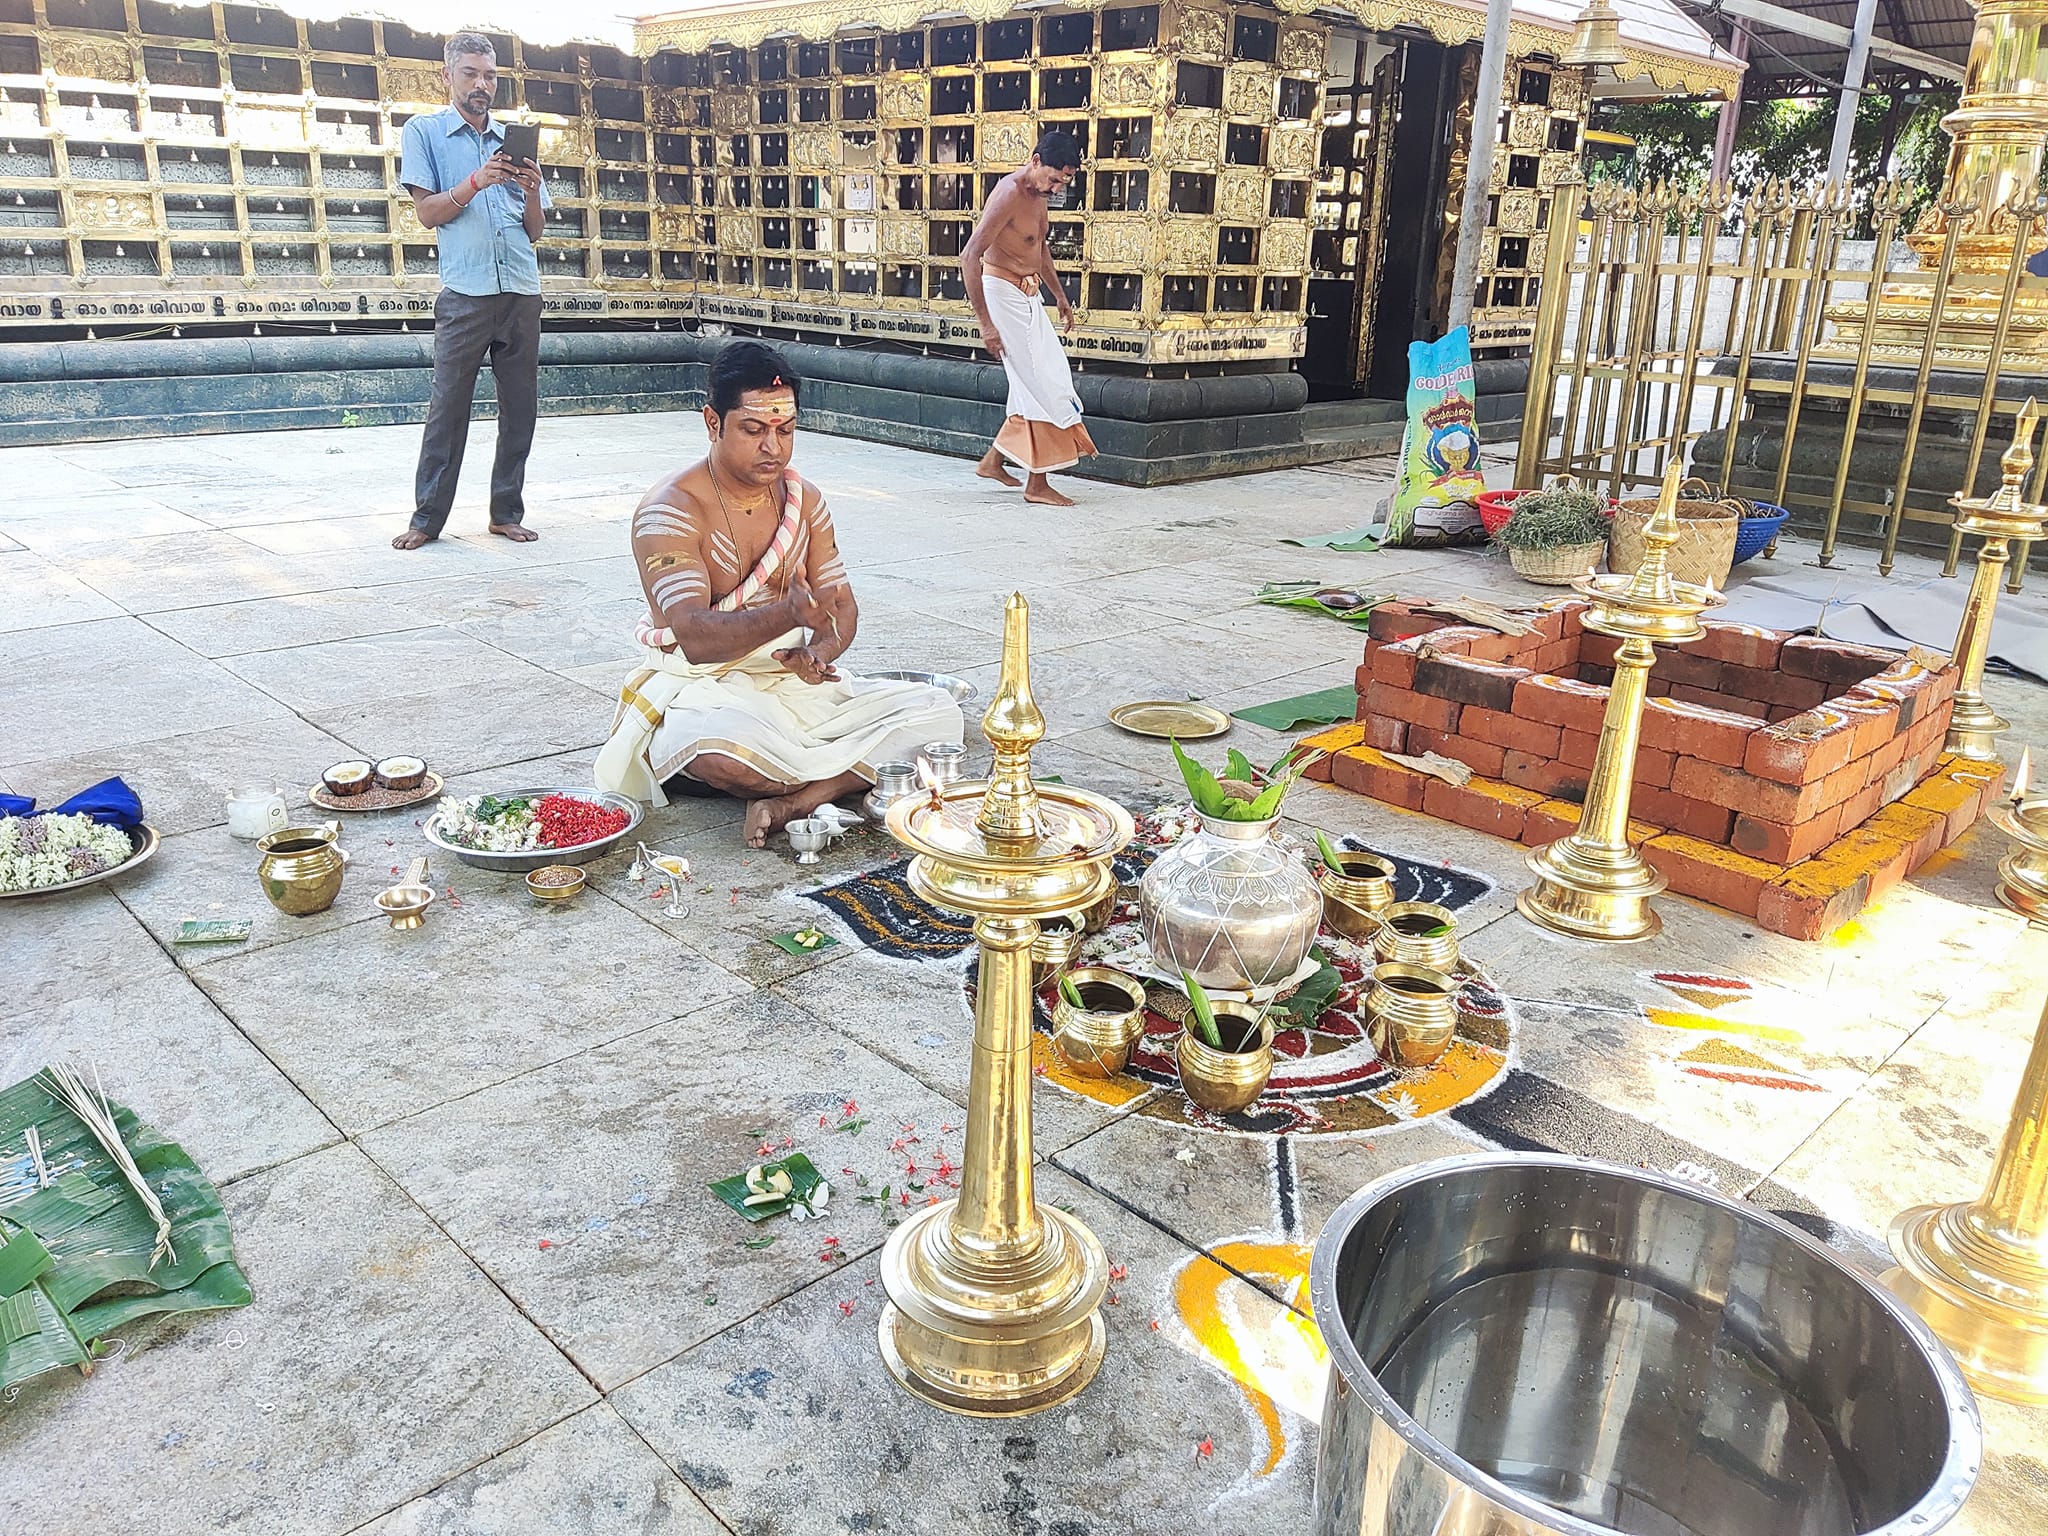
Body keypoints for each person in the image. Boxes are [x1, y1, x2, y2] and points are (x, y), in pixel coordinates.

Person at [594, 341, 964, 847]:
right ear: (712, 422)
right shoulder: (671, 509)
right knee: (720, 749)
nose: (773, 448)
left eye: (785, 431)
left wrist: (819, 652)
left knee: (938, 710)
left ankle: (798, 798)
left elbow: (840, 605)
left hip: (791, 688)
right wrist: (786, 613)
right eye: (753, 430)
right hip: (706, 688)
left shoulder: (803, 499)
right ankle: (840, 776)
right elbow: (695, 638)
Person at [391, 32, 551, 551]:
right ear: (448, 76)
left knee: (520, 407)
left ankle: (506, 512)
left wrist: (529, 190)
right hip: (466, 293)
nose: (482, 86)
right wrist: (477, 181)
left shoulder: (511, 138)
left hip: (521, 289)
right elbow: (426, 212)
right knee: (449, 407)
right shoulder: (425, 132)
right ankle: (427, 518)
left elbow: (535, 230)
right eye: (471, 75)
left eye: (490, 76)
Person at [962, 129, 1097, 507]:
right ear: (1036, 161)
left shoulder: (1039, 195)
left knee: (1031, 382)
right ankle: (1037, 483)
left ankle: (993, 461)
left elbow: (1039, 247)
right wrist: (986, 324)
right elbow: (969, 256)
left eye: (1064, 181)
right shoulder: (1009, 194)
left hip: (1030, 294)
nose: (1056, 188)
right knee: (1044, 381)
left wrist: (1059, 295)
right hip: (1002, 295)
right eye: (1054, 178)